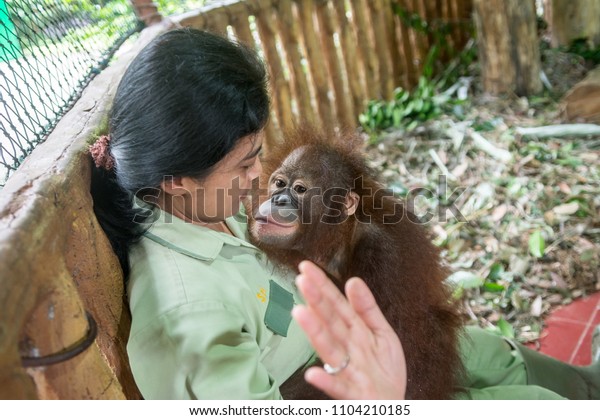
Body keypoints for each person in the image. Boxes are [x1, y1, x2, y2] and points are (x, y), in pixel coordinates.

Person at [89, 28, 599, 400]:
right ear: (177, 179)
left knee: (494, 353)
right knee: (535, 406)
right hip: (345, 386)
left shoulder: (192, 200)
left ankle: (589, 384)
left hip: (350, 343)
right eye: (245, 165)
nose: (258, 181)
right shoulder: (186, 316)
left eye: (260, 156)